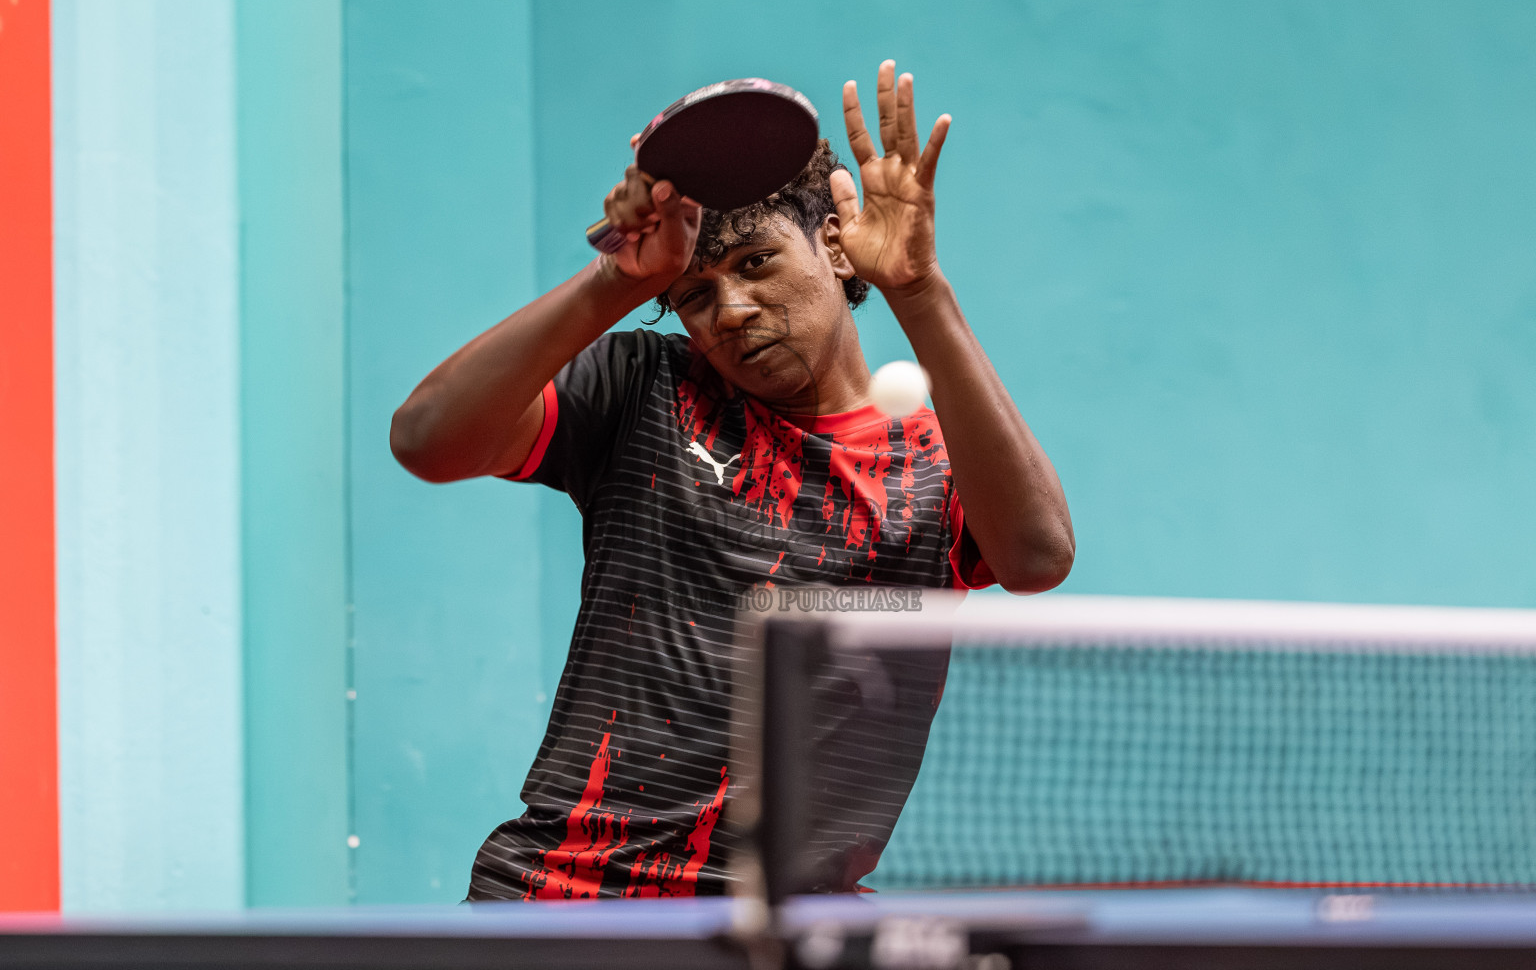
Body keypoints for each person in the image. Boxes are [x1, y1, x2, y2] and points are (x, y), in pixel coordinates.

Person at [390, 61, 1074, 900]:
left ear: (830, 240)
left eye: (756, 262)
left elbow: (1038, 557)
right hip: (567, 904)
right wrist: (620, 280)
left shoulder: (936, 462)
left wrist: (920, 290)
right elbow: (426, 441)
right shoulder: (644, 385)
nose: (733, 310)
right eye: (696, 295)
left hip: (784, 923)